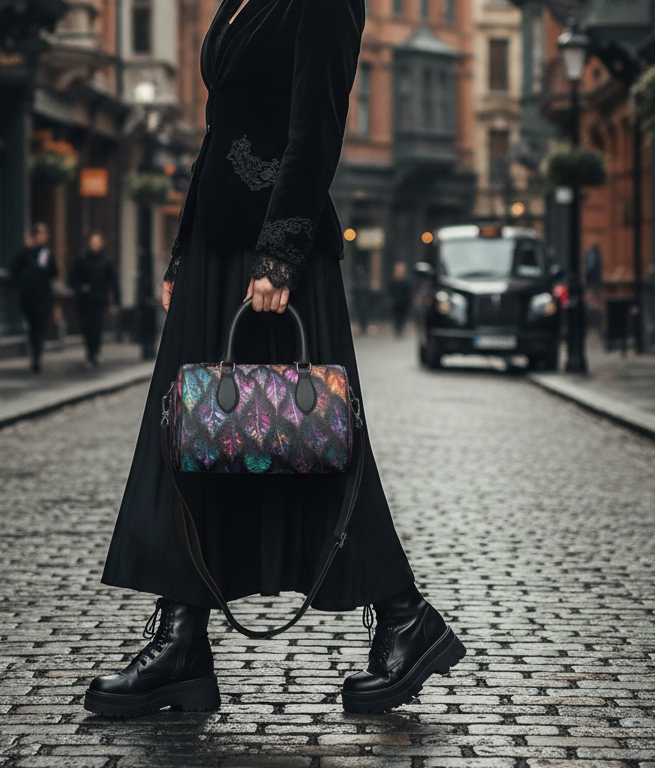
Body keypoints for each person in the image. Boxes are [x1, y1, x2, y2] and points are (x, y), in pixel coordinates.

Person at [86, 0, 465, 719]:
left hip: (270, 257)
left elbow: (314, 129)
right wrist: (180, 249)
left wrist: (279, 251)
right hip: (217, 251)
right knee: (192, 441)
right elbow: (218, 131)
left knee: (309, 440)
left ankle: (399, 616)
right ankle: (181, 639)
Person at [10, 223, 58, 373]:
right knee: (32, 326)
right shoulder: (25, 253)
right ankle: (34, 354)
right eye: (39, 234)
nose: (42, 237)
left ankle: (38, 356)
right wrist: (22, 285)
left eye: (44, 234)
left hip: (43, 295)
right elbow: (14, 272)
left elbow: (54, 272)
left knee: (41, 326)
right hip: (29, 296)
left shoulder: (47, 253)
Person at [69, 232, 120, 368]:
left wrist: (115, 300)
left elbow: (113, 281)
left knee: (96, 326)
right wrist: (81, 287)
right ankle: (89, 352)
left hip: (99, 299)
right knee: (86, 326)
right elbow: (73, 278)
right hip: (84, 300)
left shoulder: (106, 260)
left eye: (97, 242)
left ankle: (95, 352)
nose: (95, 245)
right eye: (93, 242)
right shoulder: (82, 259)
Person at [389, 262, 412, 336]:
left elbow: (408, 291)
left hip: (404, 302)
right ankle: (397, 329)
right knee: (396, 317)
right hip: (395, 302)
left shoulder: (406, 280)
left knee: (402, 317)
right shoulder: (393, 280)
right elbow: (390, 291)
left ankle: (400, 329)